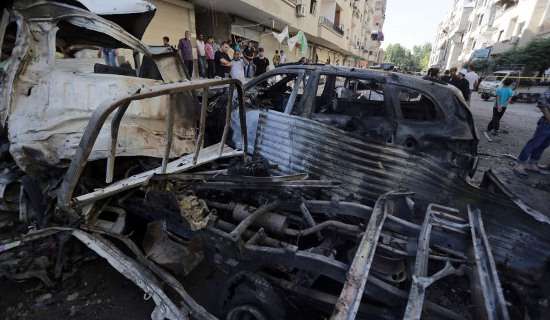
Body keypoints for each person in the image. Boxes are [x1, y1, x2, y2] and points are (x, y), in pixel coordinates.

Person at [514, 89, 550, 176]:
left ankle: (532, 164)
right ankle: (520, 164)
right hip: (547, 123)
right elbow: (542, 103)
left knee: (543, 145)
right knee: (535, 143)